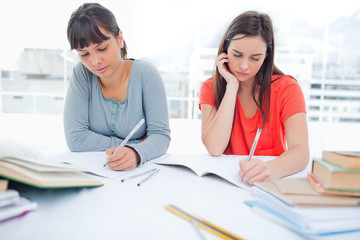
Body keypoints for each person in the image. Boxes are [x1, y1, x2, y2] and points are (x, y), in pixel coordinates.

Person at [199, 11, 309, 185]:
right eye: (237, 55)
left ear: (266, 55)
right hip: (226, 183)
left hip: (269, 182)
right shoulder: (209, 88)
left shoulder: (287, 89)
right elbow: (214, 147)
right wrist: (231, 87)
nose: (244, 66)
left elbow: (301, 151)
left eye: (255, 58)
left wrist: (271, 169)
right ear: (225, 50)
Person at [64, 3, 171, 171]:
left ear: (119, 39)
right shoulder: (82, 74)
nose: (95, 61)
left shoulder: (146, 74)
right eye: (84, 54)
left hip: (137, 174)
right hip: (95, 172)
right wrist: (136, 145)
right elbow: (76, 139)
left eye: (102, 48)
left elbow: (161, 137)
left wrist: (136, 154)